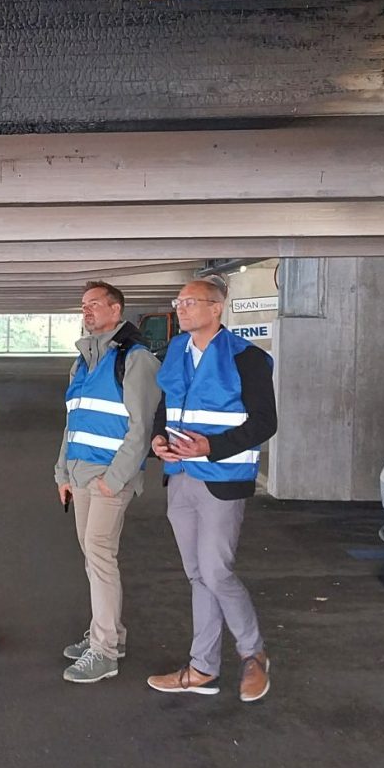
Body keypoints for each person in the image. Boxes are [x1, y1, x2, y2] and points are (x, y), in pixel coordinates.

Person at [146, 277, 278, 702]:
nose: (181, 309)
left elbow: (265, 422)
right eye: (179, 302)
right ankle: (202, 667)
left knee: (217, 572)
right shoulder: (177, 352)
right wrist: (157, 439)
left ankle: (253, 653)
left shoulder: (247, 358)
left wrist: (212, 447)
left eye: (190, 302)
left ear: (216, 308)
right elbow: (167, 405)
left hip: (222, 480)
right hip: (180, 476)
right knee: (198, 575)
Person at [53, 281, 159, 684]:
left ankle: (105, 651)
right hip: (81, 474)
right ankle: (108, 632)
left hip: (109, 477)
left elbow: (141, 428)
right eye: (83, 305)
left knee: (99, 556)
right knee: (92, 555)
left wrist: (114, 480)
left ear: (116, 310)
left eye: (94, 304)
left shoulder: (136, 358)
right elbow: (73, 421)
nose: (87, 311)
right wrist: (62, 472)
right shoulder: (83, 361)